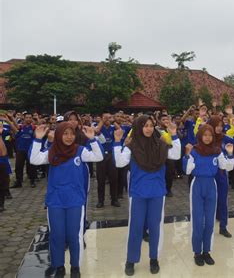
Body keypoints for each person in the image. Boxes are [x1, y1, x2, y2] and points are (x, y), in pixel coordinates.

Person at [30, 123, 103, 278]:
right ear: (58, 135)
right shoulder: (52, 152)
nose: (69, 137)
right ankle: (59, 266)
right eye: (65, 134)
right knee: (57, 235)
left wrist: (92, 139)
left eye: (72, 134)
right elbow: (34, 159)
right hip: (55, 201)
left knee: (74, 235)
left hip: (75, 201)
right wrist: (37, 139)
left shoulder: (79, 151)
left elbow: (98, 156)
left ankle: (75, 266)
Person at [114, 115, 181, 276]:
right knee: (135, 228)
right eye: (145, 125)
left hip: (157, 192)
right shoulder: (132, 145)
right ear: (138, 127)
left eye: (151, 125)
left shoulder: (161, 144)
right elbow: (119, 163)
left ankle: (154, 258)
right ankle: (131, 260)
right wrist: (118, 142)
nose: (149, 128)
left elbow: (176, 155)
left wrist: (174, 135)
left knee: (155, 228)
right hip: (138, 192)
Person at [183, 125, 234, 266]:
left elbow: (227, 167)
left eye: (210, 135)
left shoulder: (217, 152)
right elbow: (187, 170)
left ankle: (206, 251)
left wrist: (229, 153)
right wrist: (187, 155)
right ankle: (197, 252)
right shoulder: (194, 151)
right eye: (204, 135)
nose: (207, 137)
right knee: (198, 221)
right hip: (198, 186)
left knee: (210, 221)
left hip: (212, 186)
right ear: (200, 136)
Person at [94, 113, 120, 208]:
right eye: (105, 118)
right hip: (101, 156)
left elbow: (120, 130)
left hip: (111, 155)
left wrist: (113, 120)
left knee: (114, 179)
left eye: (109, 117)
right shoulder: (98, 126)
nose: (107, 119)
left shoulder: (113, 127)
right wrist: (102, 121)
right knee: (100, 180)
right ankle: (100, 201)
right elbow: (96, 131)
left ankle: (114, 200)